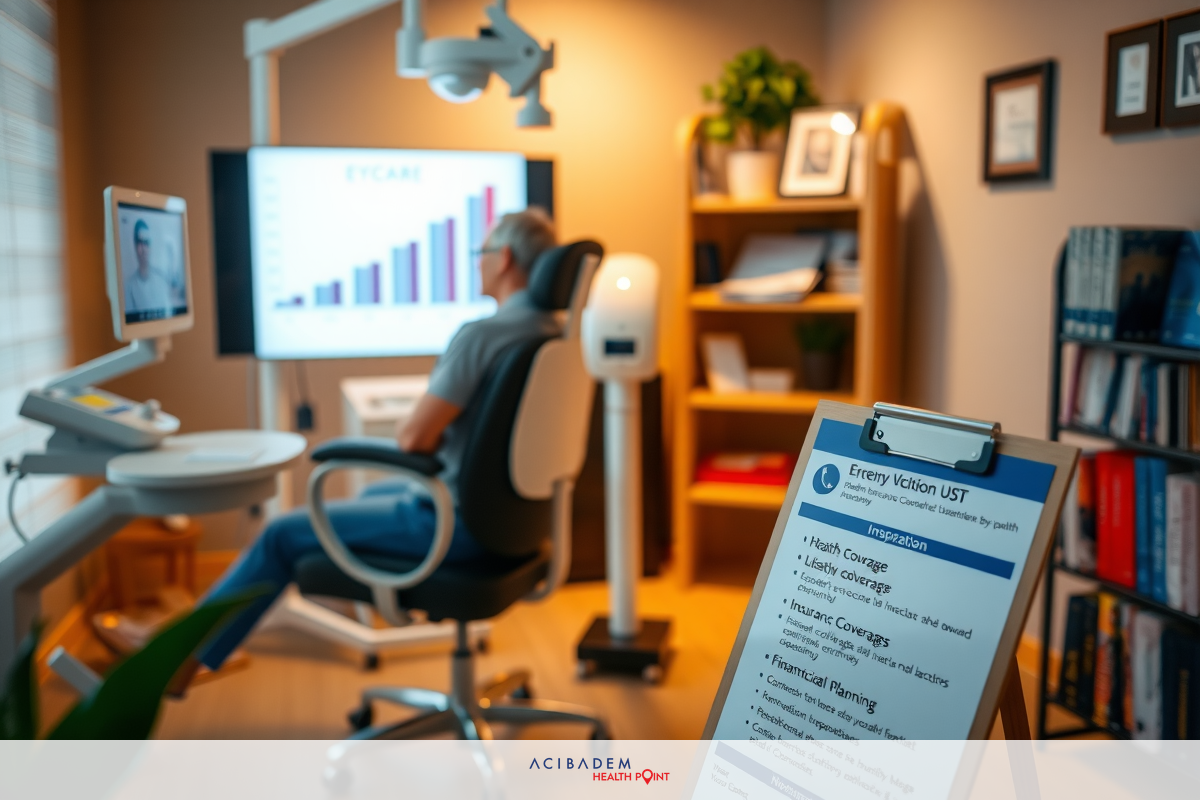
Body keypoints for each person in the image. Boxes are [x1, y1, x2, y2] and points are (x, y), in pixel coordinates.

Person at [172, 208, 559, 691]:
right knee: (367, 501)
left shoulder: (483, 335)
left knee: (282, 533)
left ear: (503, 259)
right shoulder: (555, 338)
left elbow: (414, 439)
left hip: (456, 526)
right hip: (517, 525)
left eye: (480, 253)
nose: (476, 263)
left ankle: (175, 663)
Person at [124, 219, 172, 314]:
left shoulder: (161, 280)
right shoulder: (130, 287)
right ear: (135, 246)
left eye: (146, 242)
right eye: (140, 243)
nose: (143, 249)